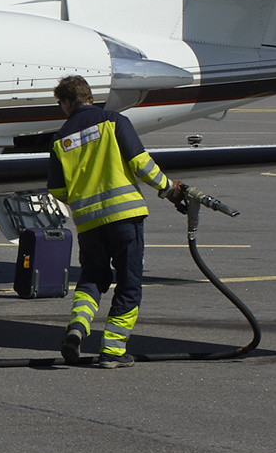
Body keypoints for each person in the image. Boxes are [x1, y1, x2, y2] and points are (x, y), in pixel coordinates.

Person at [46, 76, 183, 368]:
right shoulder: (113, 121)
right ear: (87, 97)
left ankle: (77, 328)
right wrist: (168, 188)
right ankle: (112, 351)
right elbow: (140, 162)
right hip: (124, 217)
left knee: (92, 278)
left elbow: (57, 191)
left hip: (88, 224)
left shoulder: (60, 139)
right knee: (129, 283)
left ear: (68, 102)